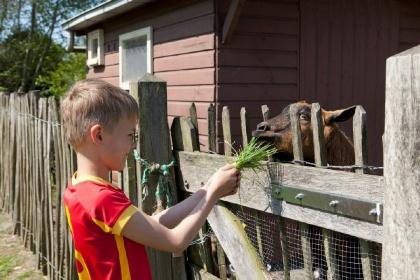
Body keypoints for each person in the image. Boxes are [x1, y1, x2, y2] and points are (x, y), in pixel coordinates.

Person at [61, 79, 241, 280]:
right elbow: (176, 241)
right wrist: (214, 193)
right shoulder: (101, 199)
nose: (132, 145)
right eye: (130, 135)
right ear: (99, 135)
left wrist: (206, 189)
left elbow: (153, 224)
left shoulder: (78, 189)